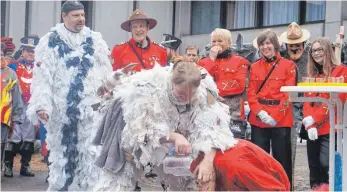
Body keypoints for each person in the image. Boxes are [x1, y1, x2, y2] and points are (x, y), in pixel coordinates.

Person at [92, 58, 290, 191]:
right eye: (180, 94)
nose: (186, 99)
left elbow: (214, 128)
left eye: (190, 94)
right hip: (134, 135)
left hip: (180, 143)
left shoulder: (204, 91)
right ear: (171, 83)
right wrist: (174, 136)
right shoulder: (150, 90)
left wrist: (206, 161)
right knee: (120, 179)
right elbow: (143, 131)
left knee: (186, 172)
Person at [26, 0, 112, 190]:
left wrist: (109, 93)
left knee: (91, 154)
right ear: (64, 16)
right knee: (63, 157)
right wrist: (42, 105)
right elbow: (42, 78)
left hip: (90, 111)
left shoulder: (95, 40)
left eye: (82, 15)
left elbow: (106, 72)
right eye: (76, 15)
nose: (81, 19)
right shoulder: (49, 42)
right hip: (62, 112)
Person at [247, 29, 297, 188]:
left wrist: (275, 116)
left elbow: (288, 95)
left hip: (280, 120)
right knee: (258, 160)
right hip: (259, 119)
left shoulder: (289, 65)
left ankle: (285, 188)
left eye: (268, 43)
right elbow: (251, 93)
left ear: (275, 45)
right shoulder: (254, 67)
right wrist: (260, 112)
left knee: (282, 160)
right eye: (262, 44)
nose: (265, 47)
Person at [302, 37, 347, 189]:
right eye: (313, 50)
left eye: (320, 49)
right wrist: (308, 124)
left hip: (330, 127)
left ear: (328, 50)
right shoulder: (313, 75)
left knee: (327, 167)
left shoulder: (340, 70)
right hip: (312, 128)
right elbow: (307, 101)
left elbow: (334, 101)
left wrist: (314, 120)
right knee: (314, 168)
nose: (316, 53)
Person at [198, 28, 249, 137]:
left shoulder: (240, 61)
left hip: (233, 114)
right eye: (214, 41)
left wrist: (212, 90)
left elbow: (239, 85)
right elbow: (200, 82)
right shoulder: (203, 62)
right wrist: (211, 59)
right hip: (209, 112)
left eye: (220, 41)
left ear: (229, 43)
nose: (216, 44)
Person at [279, 21, 311, 188]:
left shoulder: (312, 57)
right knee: (286, 148)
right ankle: (287, 185)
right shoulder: (280, 58)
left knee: (311, 151)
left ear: (303, 44)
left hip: (309, 107)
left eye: (297, 44)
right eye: (291, 44)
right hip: (287, 108)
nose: (294, 48)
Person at [4, 35, 40, 178]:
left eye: (33, 51)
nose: (31, 53)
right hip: (16, 106)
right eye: (28, 50)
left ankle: (25, 166)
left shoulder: (40, 67)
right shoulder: (12, 65)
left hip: (32, 106)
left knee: (29, 136)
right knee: (14, 135)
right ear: (22, 51)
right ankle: (8, 166)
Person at [1, 43, 23, 171]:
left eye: (1, 54)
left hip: (3, 117)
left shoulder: (11, 73)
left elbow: (16, 97)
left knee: (1, 144)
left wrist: (16, 118)